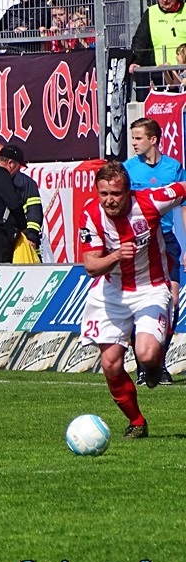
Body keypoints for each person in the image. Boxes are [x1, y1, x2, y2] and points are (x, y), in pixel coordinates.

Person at [79, 162, 186, 439]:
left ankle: (152, 366)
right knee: (111, 364)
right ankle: (137, 421)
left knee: (147, 355)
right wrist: (115, 255)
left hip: (151, 288)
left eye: (115, 193)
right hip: (112, 292)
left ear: (129, 191)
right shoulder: (91, 214)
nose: (109, 200)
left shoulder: (151, 201)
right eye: (103, 194)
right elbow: (91, 266)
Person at [124, 117, 186, 386]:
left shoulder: (174, 168)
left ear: (153, 139)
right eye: (132, 137)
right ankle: (143, 365)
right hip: (141, 242)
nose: (134, 143)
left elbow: (183, 207)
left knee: (171, 302)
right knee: (140, 305)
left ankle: (158, 365)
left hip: (167, 240)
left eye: (138, 138)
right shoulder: (127, 169)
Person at [0, 142, 42, 257]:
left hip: (21, 241)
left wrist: (31, 236)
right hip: (0, 242)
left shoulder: (26, 184)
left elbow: (34, 211)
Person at [130, 0, 186, 96]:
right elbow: (140, 40)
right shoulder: (151, 13)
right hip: (161, 75)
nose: (165, 1)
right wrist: (136, 60)